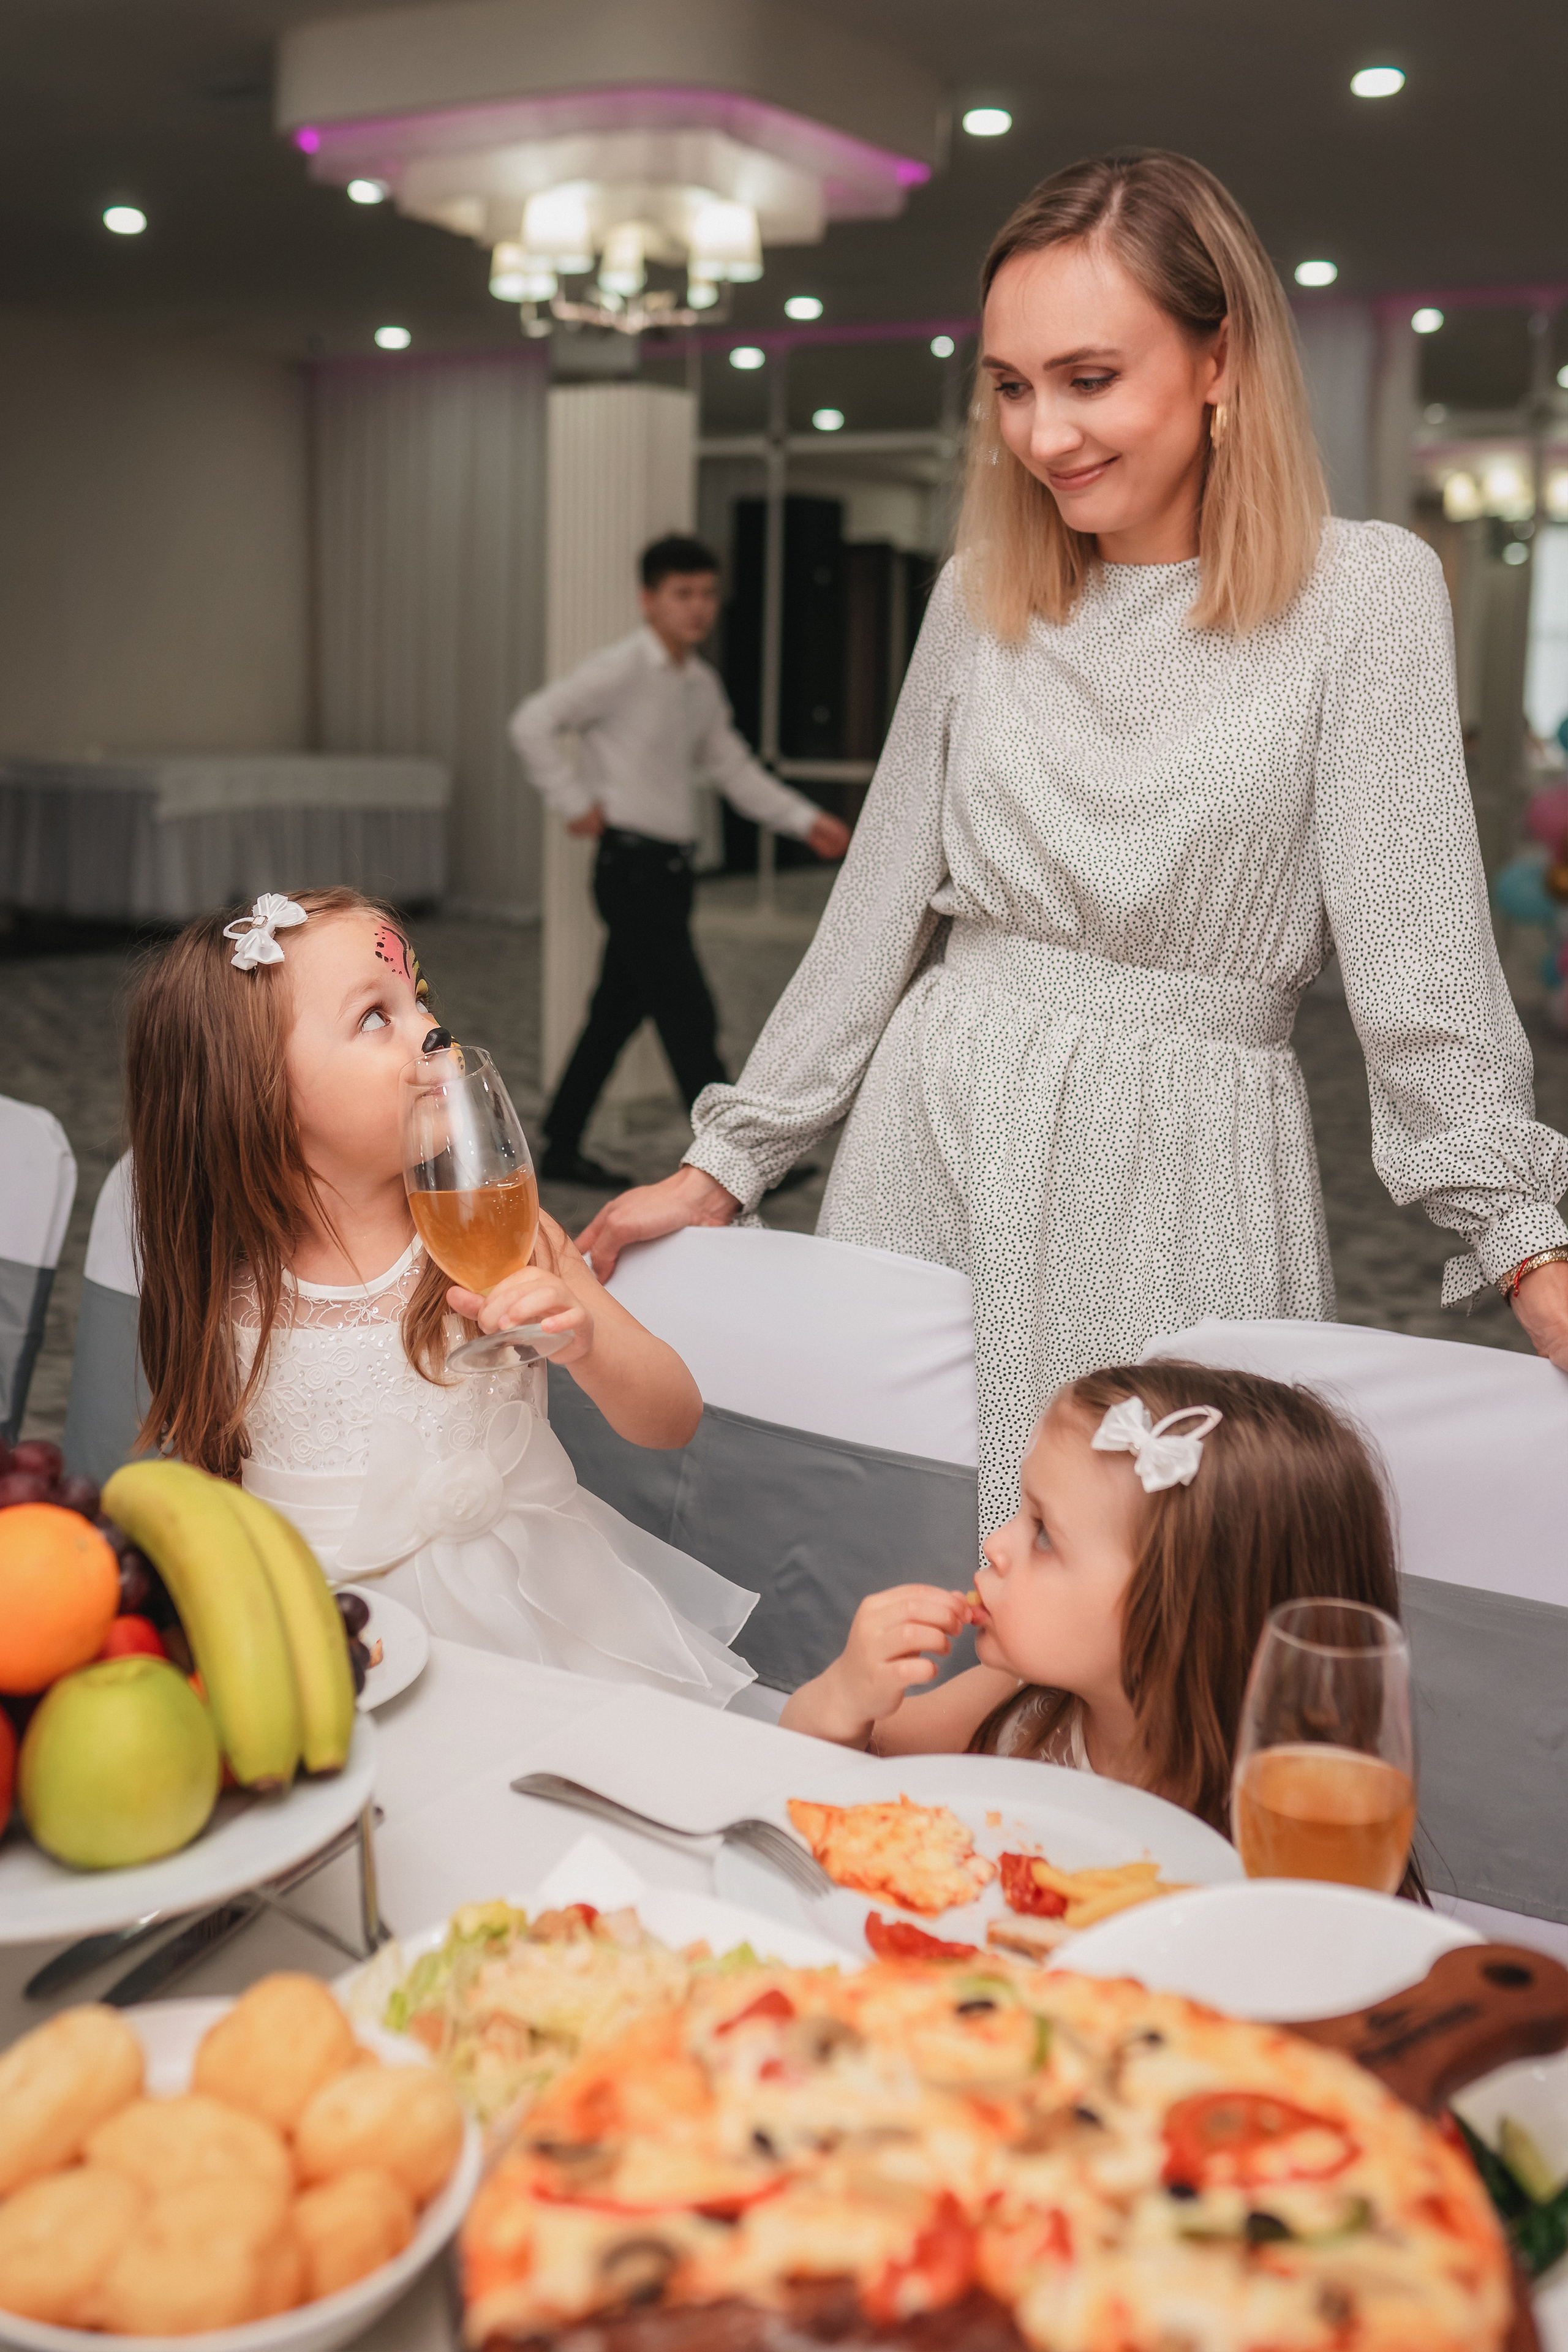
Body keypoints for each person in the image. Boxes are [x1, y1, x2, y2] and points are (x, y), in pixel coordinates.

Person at [580, 151, 1568, 1542]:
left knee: (1157, 1590)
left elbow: (1420, 965)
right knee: (893, 1561)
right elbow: (871, 917)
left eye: (1087, 378)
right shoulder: (975, 592)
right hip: (936, 1116)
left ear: (1216, 355)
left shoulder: (1364, 596)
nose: (1041, 433)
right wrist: (728, 1159)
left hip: (1178, 1150)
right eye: (1008, 384)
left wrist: (1525, 1236)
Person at [124, 886, 758, 1706]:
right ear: (257, 1098)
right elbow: (218, 1500)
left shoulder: (500, 1234)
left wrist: (586, 1346)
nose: (431, 1028)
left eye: (419, 995)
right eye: (375, 1017)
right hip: (342, 1652)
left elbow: (674, 1418)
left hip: (543, 1624)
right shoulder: (233, 1296)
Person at [780, 1360, 1402, 1843]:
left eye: (1044, 1534)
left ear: (1186, 1612)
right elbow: (834, 1780)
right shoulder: (1019, 1702)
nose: (997, 1545)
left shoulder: (1285, 1819)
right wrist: (843, 1699)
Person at [510, 533, 852, 1189]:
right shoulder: (620, 669)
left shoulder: (699, 685)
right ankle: (738, 1163)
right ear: (649, 600)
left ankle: (558, 1145)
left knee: (614, 1014)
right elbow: (533, 721)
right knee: (689, 1016)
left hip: (670, 873)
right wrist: (573, 801)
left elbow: (734, 770)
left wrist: (804, 821)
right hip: (630, 869)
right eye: (682, 594)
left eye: (707, 595)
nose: (698, 608)